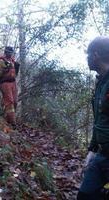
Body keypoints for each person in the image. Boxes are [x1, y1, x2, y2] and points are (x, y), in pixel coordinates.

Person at [77, 36, 109, 200]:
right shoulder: (101, 83)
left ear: (95, 55)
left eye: (88, 55)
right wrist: (92, 149)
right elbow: (100, 121)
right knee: (85, 195)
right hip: (102, 154)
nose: (87, 59)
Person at [0, 46, 19, 126]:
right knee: (10, 102)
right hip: (5, 83)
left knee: (15, 102)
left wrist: (16, 68)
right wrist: (6, 69)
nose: (10, 54)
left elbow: (14, 73)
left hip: (13, 83)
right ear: (5, 52)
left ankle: (7, 119)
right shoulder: (1, 61)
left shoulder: (12, 61)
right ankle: (13, 123)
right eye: (8, 52)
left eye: (11, 53)